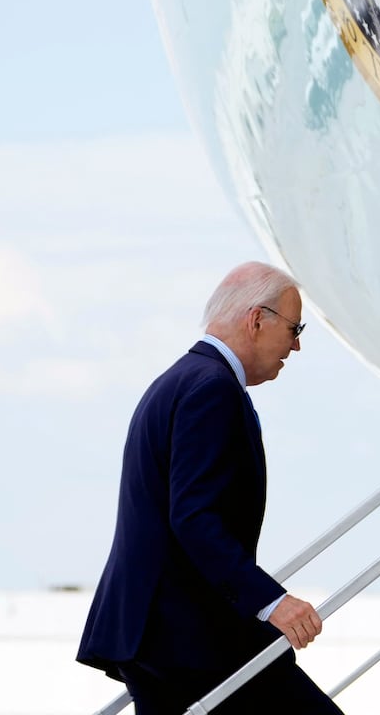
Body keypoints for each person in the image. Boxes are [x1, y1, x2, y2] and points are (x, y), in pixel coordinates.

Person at [77, 262, 345, 715]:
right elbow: (195, 517)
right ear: (258, 320)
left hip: (155, 631)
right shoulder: (212, 388)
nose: (296, 345)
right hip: (187, 634)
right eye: (295, 329)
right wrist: (272, 602)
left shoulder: (180, 380)